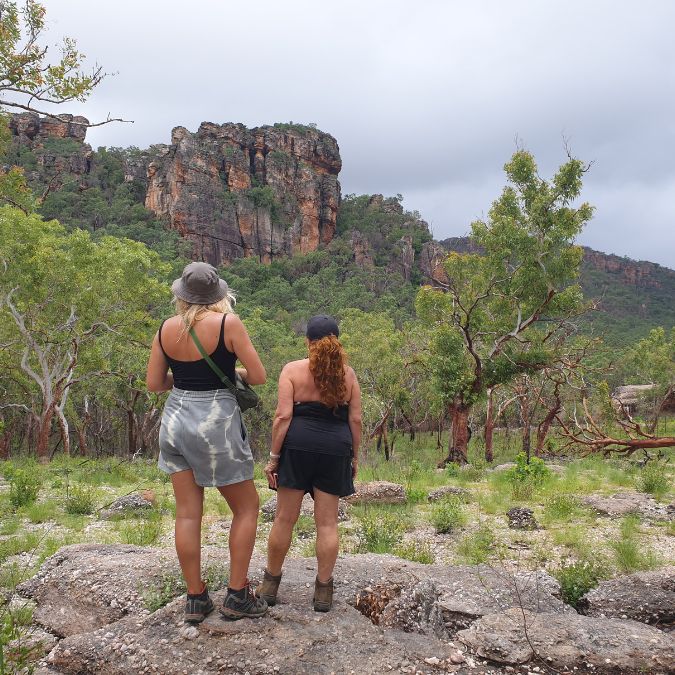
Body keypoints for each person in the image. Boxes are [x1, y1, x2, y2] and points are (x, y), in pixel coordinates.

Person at [146, 261, 268, 623]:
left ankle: (196, 598)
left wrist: (183, 378)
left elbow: (155, 383)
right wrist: (232, 373)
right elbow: (258, 376)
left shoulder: (166, 329)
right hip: (216, 424)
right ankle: (237, 595)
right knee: (246, 508)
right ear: (217, 295)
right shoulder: (228, 324)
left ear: (182, 296)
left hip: (174, 422)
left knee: (187, 513)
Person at [260, 315, 362, 612]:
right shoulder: (349, 375)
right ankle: (323, 593)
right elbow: (355, 419)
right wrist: (353, 456)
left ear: (308, 342)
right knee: (327, 523)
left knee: (283, 519)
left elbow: (282, 417)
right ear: (337, 342)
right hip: (335, 449)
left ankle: (270, 586)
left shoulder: (292, 370)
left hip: (297, 448)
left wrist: (274, 458)